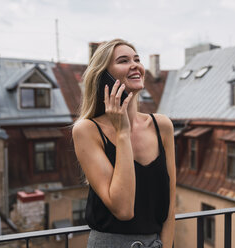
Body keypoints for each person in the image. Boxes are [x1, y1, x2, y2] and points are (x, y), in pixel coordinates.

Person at [72, 39, 176, 248]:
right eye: (123, 60)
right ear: (104, 77)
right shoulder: (87, 130)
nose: (135, 65)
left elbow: (171, 206)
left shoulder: (162, 125)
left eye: (137, 59)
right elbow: (123, 209)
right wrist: (123, 133)